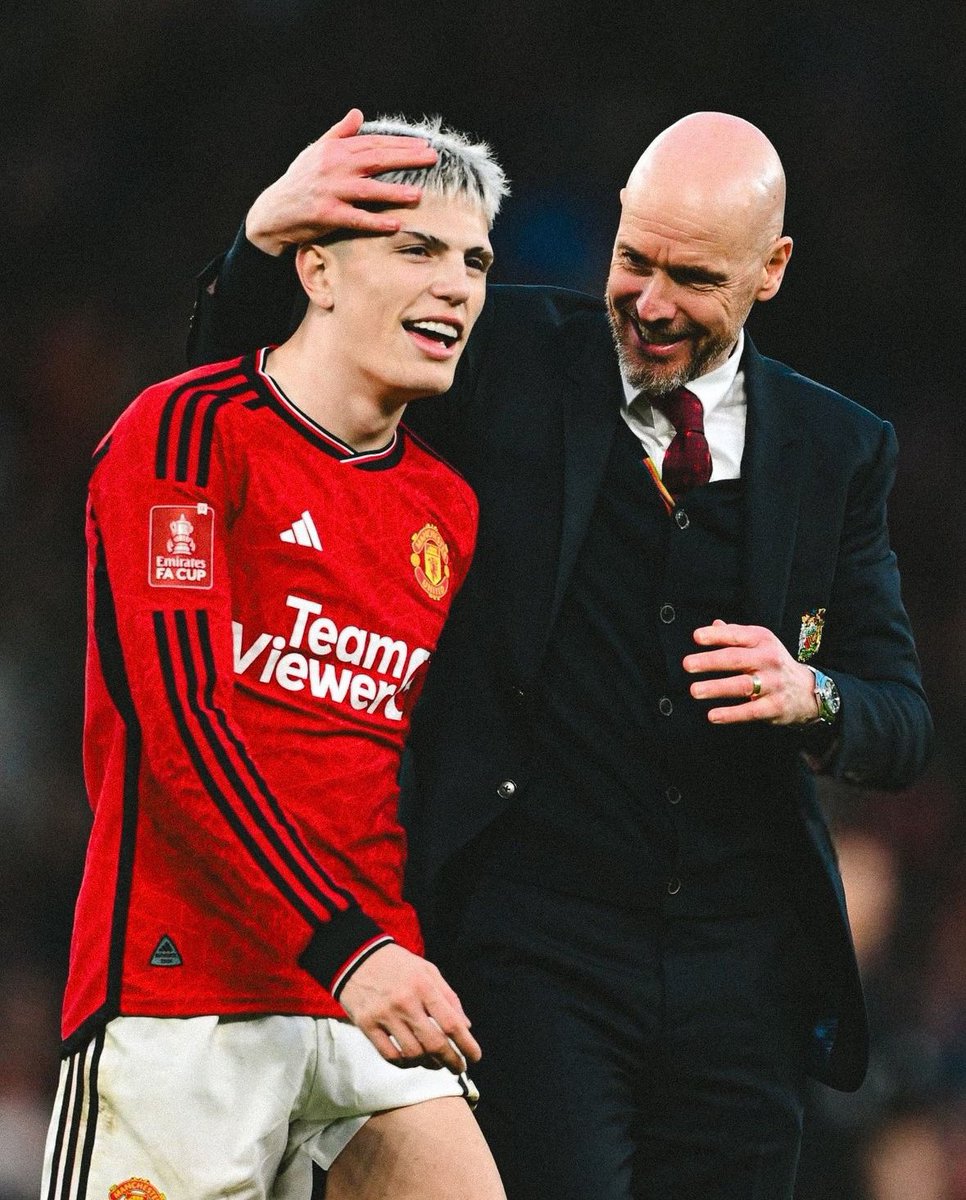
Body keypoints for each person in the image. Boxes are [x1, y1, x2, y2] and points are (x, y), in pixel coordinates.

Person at [187, 109, 932, 1200]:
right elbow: (257, 388)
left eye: (694, 277)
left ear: (770, 271)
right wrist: (263, 244)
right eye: (635, 260)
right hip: (535, 949)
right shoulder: (508, 354)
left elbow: (900, 719)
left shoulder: (838, 448)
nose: (651, 302)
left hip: (740, 971)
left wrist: (810, 694)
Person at [42, 115, 510, 1200]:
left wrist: (366, 953)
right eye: (418, 249)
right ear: (317, 270)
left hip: (362, 996)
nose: (455, 286)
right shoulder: (183, 433)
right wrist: (347, 946)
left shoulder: (446, 508)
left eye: (476, 261)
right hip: (183, 990)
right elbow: (180, 727)